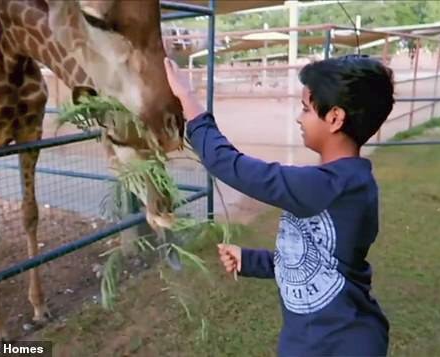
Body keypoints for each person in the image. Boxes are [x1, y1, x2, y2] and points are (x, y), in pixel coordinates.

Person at [163, 55, 395, 356]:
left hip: (339, 345)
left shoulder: (330, 186)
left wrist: (187, 98)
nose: (299, 118)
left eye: (305, 109)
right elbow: (319, 261)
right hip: (313, 341)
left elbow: (229, 165)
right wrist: (251, 260)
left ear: (335, 118)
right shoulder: (343, 183)